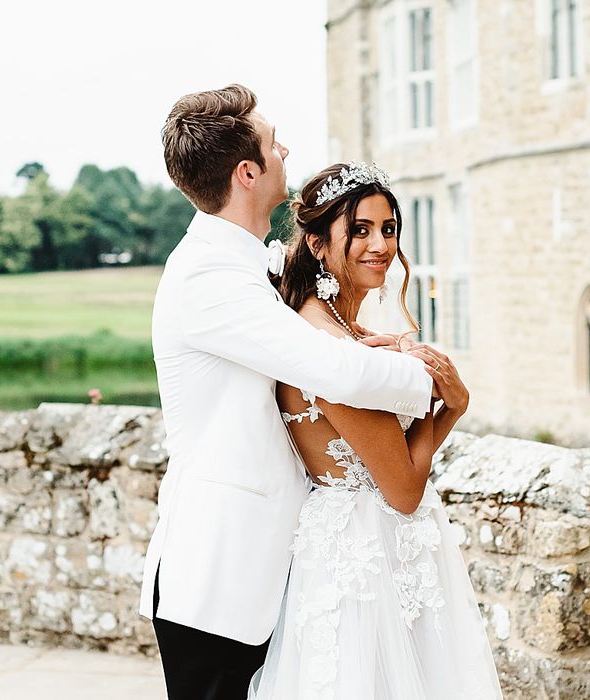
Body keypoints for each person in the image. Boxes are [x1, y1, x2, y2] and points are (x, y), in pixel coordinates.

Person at [139, 85, 444, 700]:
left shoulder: (249, 266)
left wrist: (357, 336)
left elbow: (320, 351)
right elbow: (338, 375)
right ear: (248, 172)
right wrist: (432, 380)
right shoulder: (209, 277)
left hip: (270, 569)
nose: (287, 150)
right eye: (274, 142)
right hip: (218, 577)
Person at [248, 162, 504, 699]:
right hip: (364, 552)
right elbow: (405, 490)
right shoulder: (329, 349)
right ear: (318, 245)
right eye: (359, 230)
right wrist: (450, 410)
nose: (380, 245)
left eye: (388, 229)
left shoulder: (338, 327)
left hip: (370, 545)